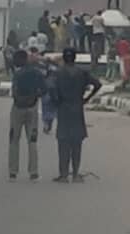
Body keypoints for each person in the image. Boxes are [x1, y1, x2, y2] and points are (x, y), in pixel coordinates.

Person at [53, 47, 102, 183]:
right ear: (75, 58)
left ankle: (63, 175)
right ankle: (75, 174)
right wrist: (86, 99)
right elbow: (98, 84)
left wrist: (56, 101)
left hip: (63, 108)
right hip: (77, 108)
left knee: (63, 142)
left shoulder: (58, 73)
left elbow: (50, 88)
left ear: (64, 58)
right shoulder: (82, 72)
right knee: (76, 142)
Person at [9, 49, 46, 181]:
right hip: (32, 108)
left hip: (18, 109)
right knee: (32, 141)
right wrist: (34, 96)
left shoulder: (17, 74)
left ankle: (13, 171)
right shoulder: (37, 73)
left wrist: (19, 100)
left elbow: (14, 92)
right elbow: (44, 89)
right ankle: (33, 172)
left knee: (14, 140)